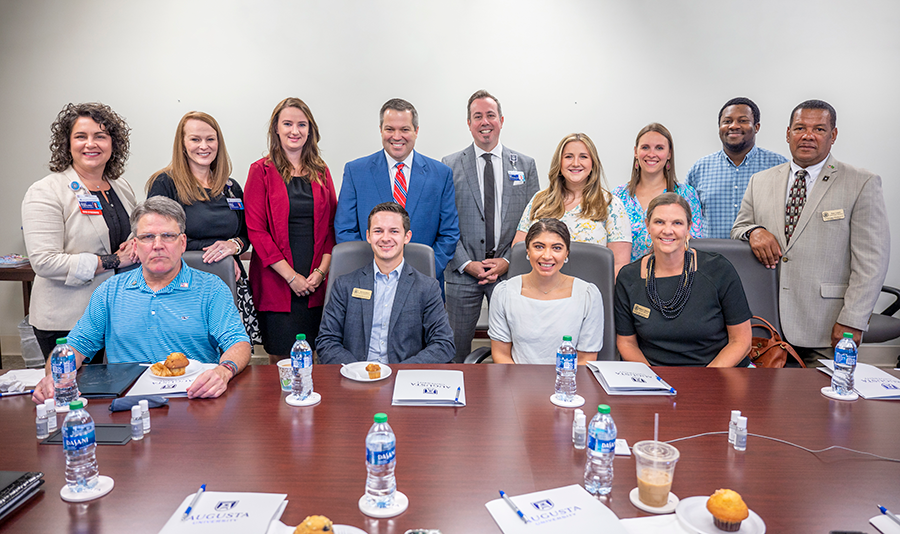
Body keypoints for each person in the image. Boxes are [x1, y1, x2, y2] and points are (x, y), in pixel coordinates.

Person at [31, 197, 251, 403]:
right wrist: (56, 376)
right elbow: (76, 346)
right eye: (147, 237)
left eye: (168, 236)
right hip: (126, 402)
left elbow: (238, 342)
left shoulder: (211, 288)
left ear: (182, 243)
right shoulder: (110, 291)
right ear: (135, 245)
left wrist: (224, 371)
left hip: (194, 397)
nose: (157, 245)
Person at [731, 99, 889, 359]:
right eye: (800, 128)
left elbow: (872, 261)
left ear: (833, 135)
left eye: (819, 129)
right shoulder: (761, 181)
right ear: (787, 133)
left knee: (823, 399)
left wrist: (853, 320)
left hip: (826, 327)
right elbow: (739, 227)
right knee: (764, 400)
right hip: (766, 327)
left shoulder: (861, 183)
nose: (807, 136)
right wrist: (754, 231)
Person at [22, 102, 138, 359]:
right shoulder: (46, 191)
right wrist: (114, 260)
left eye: (100, 136)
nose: (91, 144)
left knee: (112, 392)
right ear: (67, 143)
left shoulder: (121, 186)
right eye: (81, 136)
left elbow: (132, 232)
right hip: (67, 319)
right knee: (75, 394)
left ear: (113, 144)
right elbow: (44, 262)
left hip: (115, 312)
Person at [441, 90, 540, 362]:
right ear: (469, 123)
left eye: (490, 115)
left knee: (515, 349)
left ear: (501, 120)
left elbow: (534, 224)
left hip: (510, 275)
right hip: (461, 276)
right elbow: (445, 221)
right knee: (454, 352)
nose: (484, 122)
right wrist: (466, 263)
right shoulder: (448, 166)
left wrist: (508, 261)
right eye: (477, 116)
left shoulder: (526, 166)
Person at [146, 111, 260, 345]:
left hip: (229, 282)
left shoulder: (230, 187)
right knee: (188, 355)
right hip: (181, 285)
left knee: (231, 357)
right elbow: (158, 237)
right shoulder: (165, 183)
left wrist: (233, 246)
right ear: (183, 144)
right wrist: (214, 253)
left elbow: (246, 235)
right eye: (195, 139)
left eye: (210, 139)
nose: (204, 146)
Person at [245, 98, 338, 364]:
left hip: (316, 282)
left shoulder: (321, 171)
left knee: (318, 359)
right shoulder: (260, 171)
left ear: (310, 130)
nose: (294, 131)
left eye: (301, 124)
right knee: (282, 361)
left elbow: (333, 226)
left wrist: (320, 273)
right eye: (287, 124)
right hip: (277, 283)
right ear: (276, 128)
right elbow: (256, 231)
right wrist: (291, 277)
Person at [334, 98, 459, 287]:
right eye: (390, 129)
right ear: (381, 130)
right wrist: (371, 272)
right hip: (368, 282)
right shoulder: (356, 171)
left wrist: (425, 271)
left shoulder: (440, 174)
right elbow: (345, 230)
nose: (397, 136)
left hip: (423, 284)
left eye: (405, 129)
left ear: (416, 131)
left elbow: (449, 233)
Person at [616, 193, 752, 366]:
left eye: (677, 223)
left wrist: (704, 383)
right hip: (654, 378)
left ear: (689, 228)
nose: (667, 230)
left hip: (717, 374)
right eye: (659, 222)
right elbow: (626, 343)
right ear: (647, 226)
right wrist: (653, 380)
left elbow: (741, 341)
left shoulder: (718, 269)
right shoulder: (628, 277)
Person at [317, 203, 454, 364]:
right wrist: (358, 371)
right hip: (354, 378)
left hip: (403, 380)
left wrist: (399, 372)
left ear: (407, 237)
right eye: (378, 231)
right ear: (368, 236)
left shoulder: (427, 288)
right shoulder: (344, 285)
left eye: (394, 231)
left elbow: (444, 344)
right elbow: (326, 341)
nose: (385, 238)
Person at [514, 133, 631, 276]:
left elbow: (619, 265)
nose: (576, 163)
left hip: (591, 293)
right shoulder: (539, 201)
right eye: (568, 156)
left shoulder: (611, 205)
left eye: (583, 156)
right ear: (559, 162)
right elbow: (519, 252)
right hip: (540, 292)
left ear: (593, 163)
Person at [489, 218, 603, 364]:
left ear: (566, 253)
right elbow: (501, 354)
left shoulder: (588, 295)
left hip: (568, 382)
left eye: (557, 248)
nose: (547, 256)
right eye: (539, 247)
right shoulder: (504, 293)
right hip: (518, 381)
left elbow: (586, 359)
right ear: (528, 250)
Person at [687, 97, 788, 239]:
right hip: (709, 259)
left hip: (762, 260)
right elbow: (686, 219)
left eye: (743, 121)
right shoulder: (699, 170)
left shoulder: (779, 166)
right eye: (727, 121)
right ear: (719, 127)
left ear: (756, 127)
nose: (734, 126)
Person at [613, 123, 705, 261]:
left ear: (669, 154)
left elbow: (695, 243)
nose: (651, 154)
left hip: (674, 276)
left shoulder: (686, 194)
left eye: (659, 148)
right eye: (645, 147)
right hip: (627, 278)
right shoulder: (618, 196)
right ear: (635, 152)